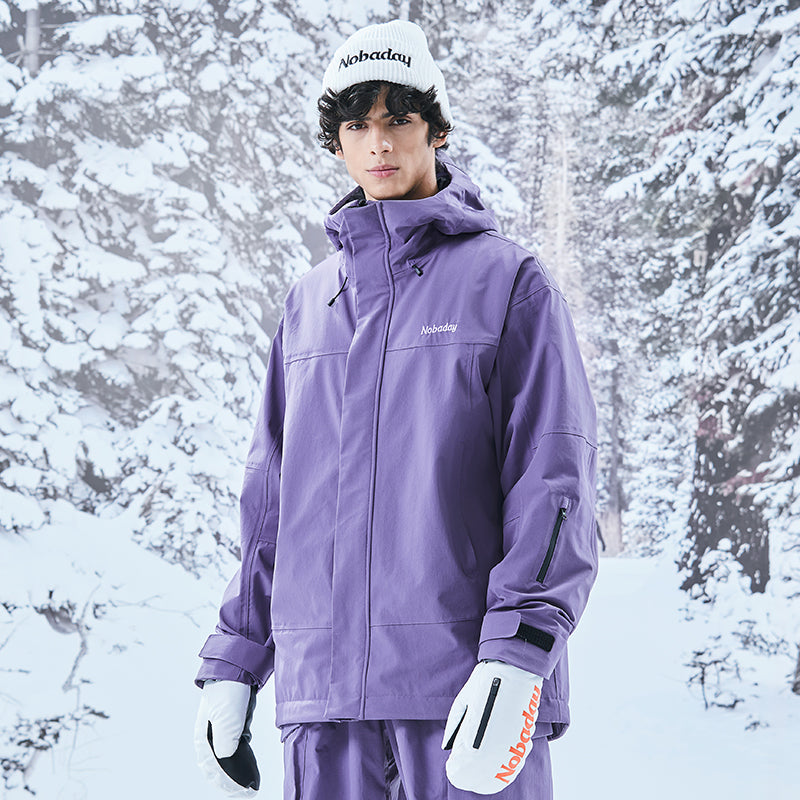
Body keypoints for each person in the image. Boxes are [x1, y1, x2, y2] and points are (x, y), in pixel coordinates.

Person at [194, 19, 598, 800]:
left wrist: (518, 655)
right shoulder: (309, 307)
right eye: (356, 126)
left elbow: (554, 482)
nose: (378, 143)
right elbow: (272, 504)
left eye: (398, 119)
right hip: (323, 704)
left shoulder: (508, 285)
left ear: (436, 129)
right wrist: (236, 658)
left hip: (465, 696)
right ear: (336, 142)